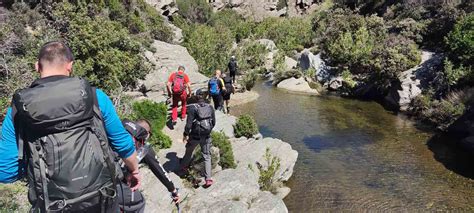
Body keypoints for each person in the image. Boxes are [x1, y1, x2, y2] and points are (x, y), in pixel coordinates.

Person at [0, 41, 140, 212]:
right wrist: (134, 171)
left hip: (53, 206)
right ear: (70, 66)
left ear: (37, 66)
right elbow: (123, 144)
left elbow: (6, 172)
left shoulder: (19, 108)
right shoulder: (95, 97)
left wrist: (35, 168)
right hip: (102, 199)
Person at [118, 119, 180, 212]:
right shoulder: (143, 148)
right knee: (139, 203)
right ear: (146, 133)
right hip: (114, 181)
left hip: (95, 170)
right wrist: (173, 191)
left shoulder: (118, 129)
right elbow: (160, 171)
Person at [180, 89, 216, 187]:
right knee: (207, 155)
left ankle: (183, 167)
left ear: (196, 97)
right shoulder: (210, 107)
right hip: (206, 135)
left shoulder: (193, 108)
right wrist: (207, 130)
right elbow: (213, 122)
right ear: (204, 97)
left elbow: (188, 125)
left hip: (195, 135)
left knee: (189, 151)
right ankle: (208, 179)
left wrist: (185, 134)